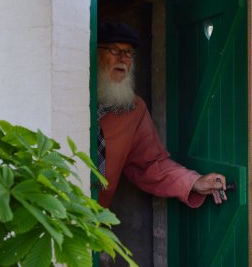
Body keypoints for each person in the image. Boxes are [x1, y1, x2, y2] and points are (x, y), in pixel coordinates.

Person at [96, 22, 227, 208]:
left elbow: (149, 165)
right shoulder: (64, 99)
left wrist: (194, 182)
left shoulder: (133, 108)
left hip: (96, 217)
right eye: (114, 50)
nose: (123, 59)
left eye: (129, 53)